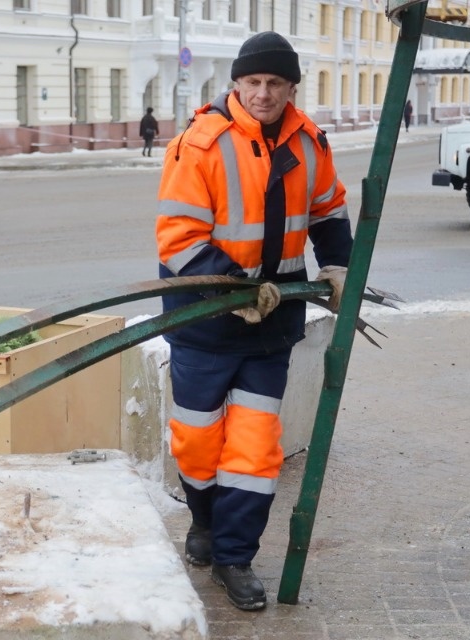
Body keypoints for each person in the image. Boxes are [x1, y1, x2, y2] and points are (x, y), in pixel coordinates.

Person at [155, 31, 353, 611]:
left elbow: (329, 209)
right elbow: (179, 238)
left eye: (274, 83)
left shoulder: (310, 142)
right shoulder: (201, 144)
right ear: (237, 84)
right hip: (204, 323)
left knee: (254, 449)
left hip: (271, 331)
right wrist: (234, 288)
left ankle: (234, 557)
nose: (263, 93)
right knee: (196, 443)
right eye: (253, 82)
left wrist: (337, 265)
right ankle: (205, 523)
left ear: (292, 86)